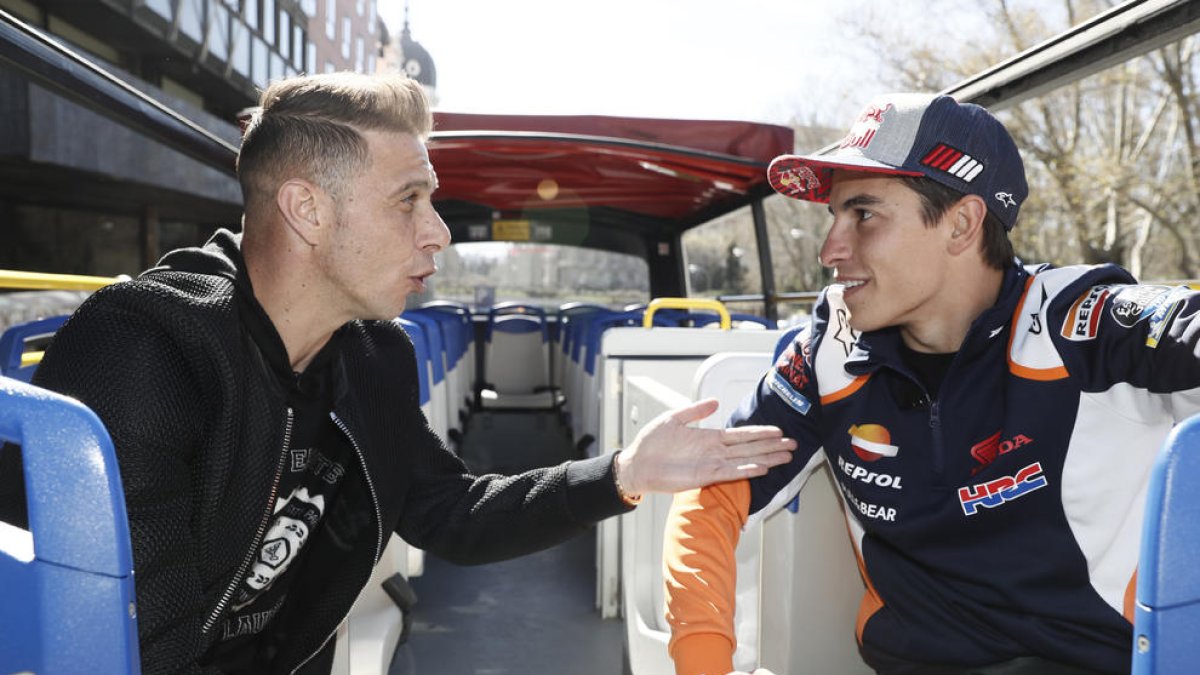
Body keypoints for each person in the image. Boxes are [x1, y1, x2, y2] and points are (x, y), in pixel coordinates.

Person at [0, 72, 797, 674]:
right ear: (308, 210)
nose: (439, 233)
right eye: (409, 200)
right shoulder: (145, 353)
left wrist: (625, 471)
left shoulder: (373, 356)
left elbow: (450, 512)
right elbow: (128, 648)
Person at [662, 92, 1200, 675]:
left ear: (962, 224)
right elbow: (713, 493)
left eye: (863, 214)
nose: (829, 250)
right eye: (833, 217)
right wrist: (703, 661)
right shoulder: (828, 353)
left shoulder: (1085, 325)